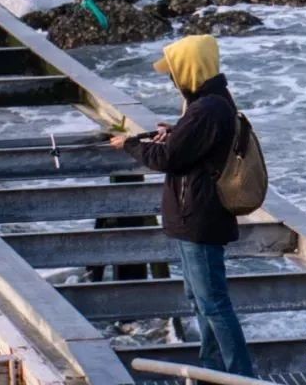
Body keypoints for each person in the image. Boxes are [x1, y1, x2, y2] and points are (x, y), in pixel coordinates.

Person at [110, 34, 256, 378]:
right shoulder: (212, 102)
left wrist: (131, 144)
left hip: (199, 216)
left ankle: (240, 375)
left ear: (190, 70)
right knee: (201, 300)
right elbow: (190, 146)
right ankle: (213, 369)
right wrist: (175, 131)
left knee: (213, 303)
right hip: (196, 214)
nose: (171, 79)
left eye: (173, 73)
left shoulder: (206, 109)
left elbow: (167, 158)